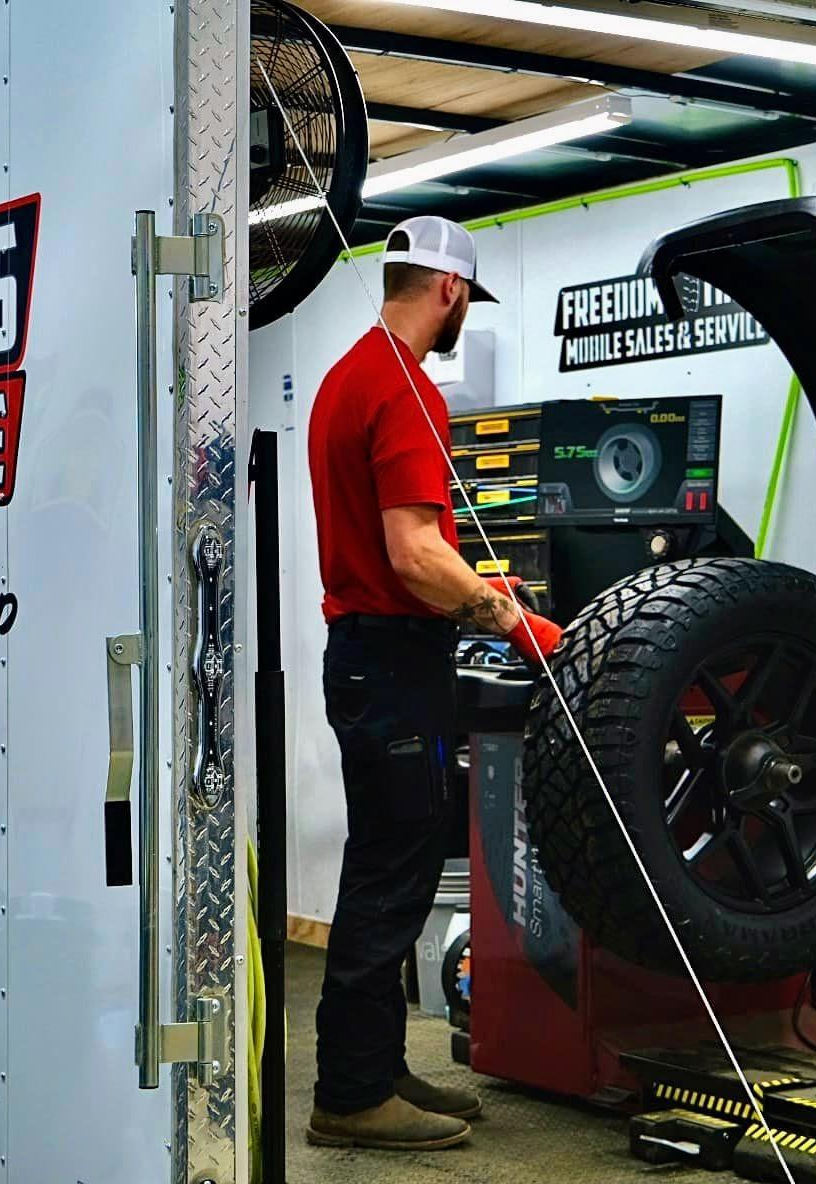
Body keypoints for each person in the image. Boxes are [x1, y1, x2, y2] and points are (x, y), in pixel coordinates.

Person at [305, 216, 564, 1150]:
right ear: (449, 291)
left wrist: (475, 585)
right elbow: (414, 556)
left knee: (394, 862)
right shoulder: (407, 386)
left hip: (371, 654)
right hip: (393, 659)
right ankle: (350, 1094)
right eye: (467, 302)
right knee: (391, 871)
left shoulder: (344, 379)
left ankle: (373, 1067)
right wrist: (510, 620)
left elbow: (409, 554)